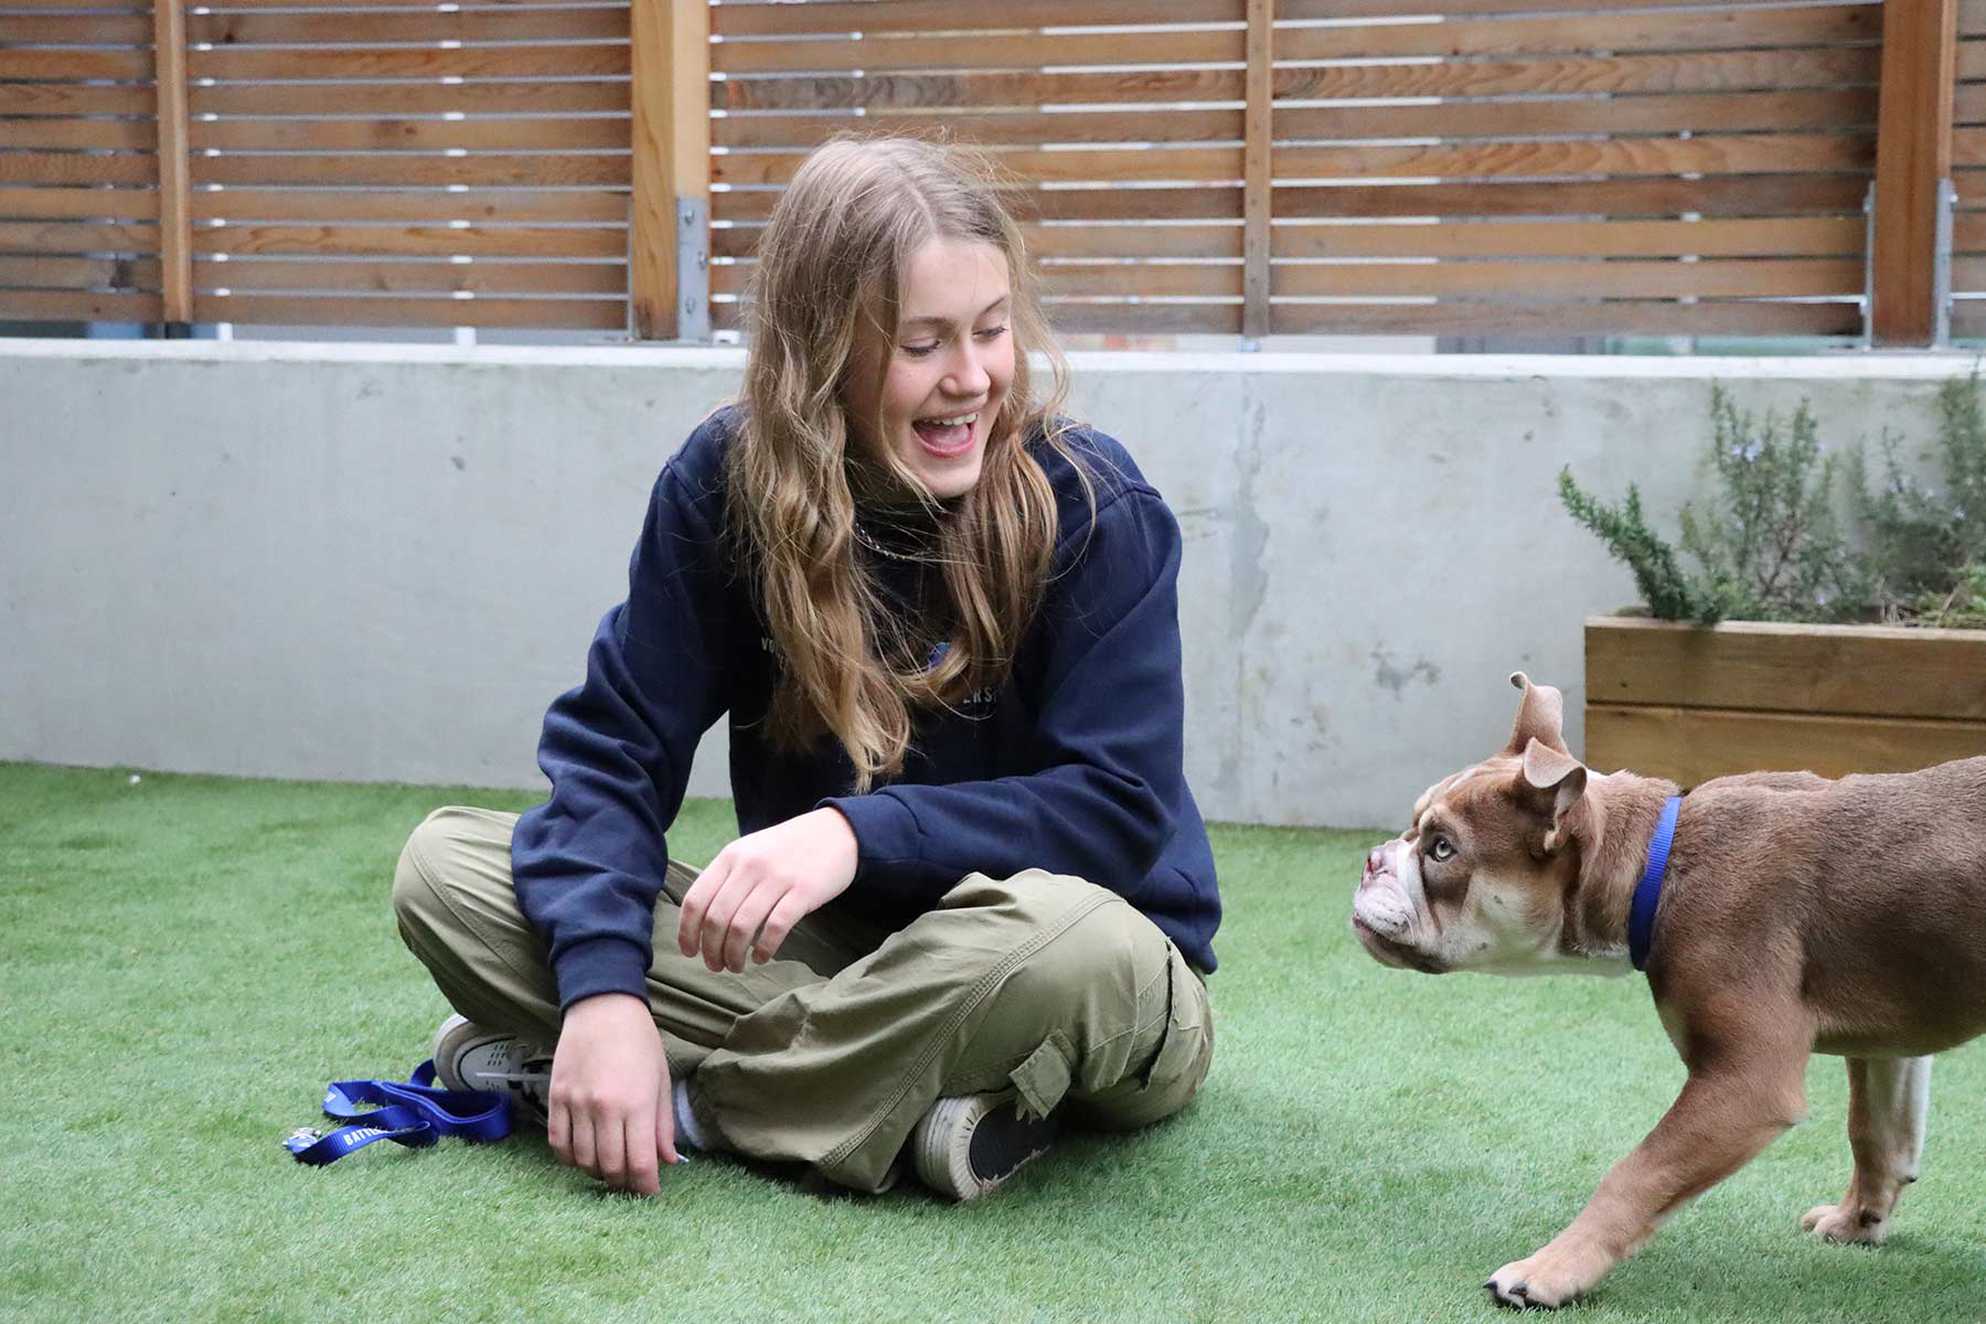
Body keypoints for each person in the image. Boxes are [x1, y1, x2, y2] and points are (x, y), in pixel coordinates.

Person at [391, 136, 1220, 1202]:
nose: (970, 378)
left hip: (1076, 969)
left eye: (991, 330)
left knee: (1073, 943)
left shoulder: (1097, 509)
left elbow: (1116, 810)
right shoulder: (725, 488)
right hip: (839, 962)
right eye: (923, 343)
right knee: (446, 869)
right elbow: (612, 754)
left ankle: (690, 1105)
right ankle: (904, 1099)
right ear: (824, 351)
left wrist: (851, 832)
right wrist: (602, 993)